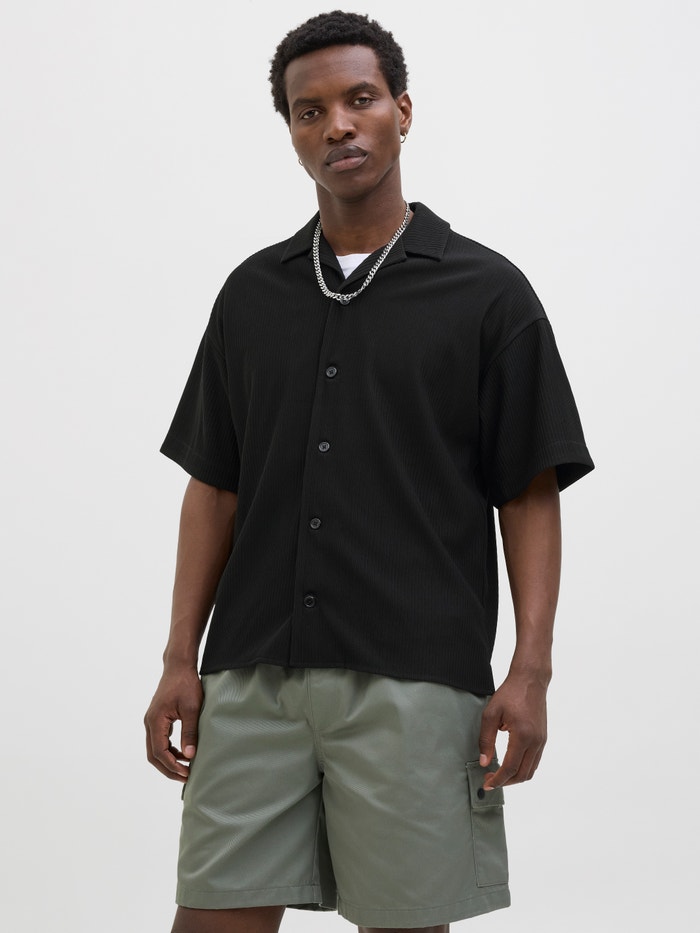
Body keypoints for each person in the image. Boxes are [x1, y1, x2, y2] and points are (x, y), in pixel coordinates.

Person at [144, 10, 594, 933]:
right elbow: (216, 485)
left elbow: (528, 491)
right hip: (252, 676)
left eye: (360, 99)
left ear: (403, 111)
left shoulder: (488, 294)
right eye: (309, 111)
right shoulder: (252, 294)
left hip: (415, 680)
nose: (337, 125)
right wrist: (179, 657)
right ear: (291, 132)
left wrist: (532, 669)